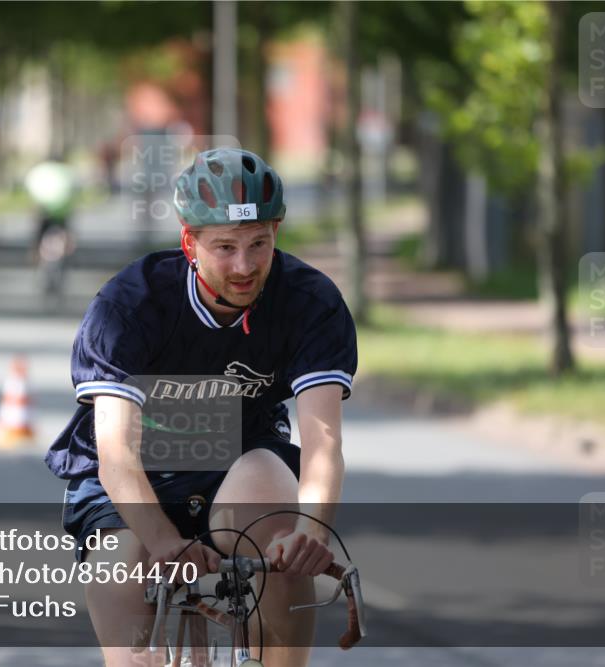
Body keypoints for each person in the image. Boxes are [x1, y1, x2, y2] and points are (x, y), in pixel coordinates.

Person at [45, 148, 358, 666]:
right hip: (133, 474)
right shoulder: (129, 306)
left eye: (259, 244)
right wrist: (164, 542)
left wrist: (310, 533)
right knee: (125, 576)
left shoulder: (310, 302)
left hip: (236, 459)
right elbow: (116, 454)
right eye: (225, 247)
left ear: (276, 231)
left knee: (284, 549)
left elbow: (324, 445)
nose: (244, 266)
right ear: (189, 241)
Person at [24, 157, 77, 301]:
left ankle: (35, 260)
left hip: (43, 211)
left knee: (38, 238)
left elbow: (31, 192)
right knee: (66, 239)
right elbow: (73, 194)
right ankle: (66, 257)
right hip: (61, 213)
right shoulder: (65, 172)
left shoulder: (39, 172)